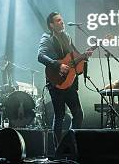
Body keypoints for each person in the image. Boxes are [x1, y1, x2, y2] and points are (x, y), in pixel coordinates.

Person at [37, 12, 91, 145]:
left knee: (78, 114)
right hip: (56, 81)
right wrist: (58, 65)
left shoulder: (67, 37)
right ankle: (58, 150)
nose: (62, 22)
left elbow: (73, 57)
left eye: (62, 20)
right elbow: (41, 55)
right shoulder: (47, 38)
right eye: (58, 20)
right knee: (60, 115)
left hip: (70, 82)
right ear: (51, 25)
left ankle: (70, 144)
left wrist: (84, 56)